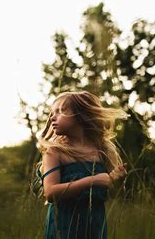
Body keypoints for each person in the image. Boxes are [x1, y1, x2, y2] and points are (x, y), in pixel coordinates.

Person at [36, 90, 128, 239]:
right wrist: (92, 181)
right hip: (63, 228)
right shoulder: (55, 152)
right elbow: (50, 193)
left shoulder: (103, 150)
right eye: (52, 112)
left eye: (60, 111)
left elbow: (116, 194)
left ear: (81, 115)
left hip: (94, 228)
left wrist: (118, 181)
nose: (53, 116)